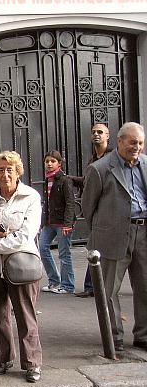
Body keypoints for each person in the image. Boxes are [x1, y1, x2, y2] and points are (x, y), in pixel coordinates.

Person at [0, 151, 43, 383]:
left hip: (22, 266)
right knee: (0, 316)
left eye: (9, 169)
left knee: (25, 315)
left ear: (18, 171)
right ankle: (5, 358)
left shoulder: (30, 197)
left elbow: (25, 236)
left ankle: (32, 363)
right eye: (0, 170)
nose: (5, 174)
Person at [82, 121, 147, 353]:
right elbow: (88, 207)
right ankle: (114, 337)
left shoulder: (146, 164)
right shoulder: (100, 169)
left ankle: (143, 335)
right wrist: (104, 229)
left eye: (140, 143)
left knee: (145, 286)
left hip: (143, 233)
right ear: (119, 142)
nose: (136, 147)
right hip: (113, 235)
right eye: (132, 142)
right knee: (109, 290)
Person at [71, 123, 113, 298]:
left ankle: (97, 286)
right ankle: (91, 286)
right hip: (96, 211)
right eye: (94, 132)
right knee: (94, 246)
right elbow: (90, 182)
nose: (96, 135)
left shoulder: (112, 158)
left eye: (100, 132)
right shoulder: (93, 160)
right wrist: (73, 179)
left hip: (110, 211)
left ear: (107, 136)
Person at [39, 151, 76, 294]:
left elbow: (70, 203)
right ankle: (54, 281)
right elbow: (47, 203)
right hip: (50, 222)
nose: (49, 164)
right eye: (47, 161)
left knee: (64, 253)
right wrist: (43, 223)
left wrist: (68, 224)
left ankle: (67, 285)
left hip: (62, 223)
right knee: (42, 248)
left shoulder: (65, 180)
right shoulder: (48, 179)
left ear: (59, 164)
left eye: (53, 161)